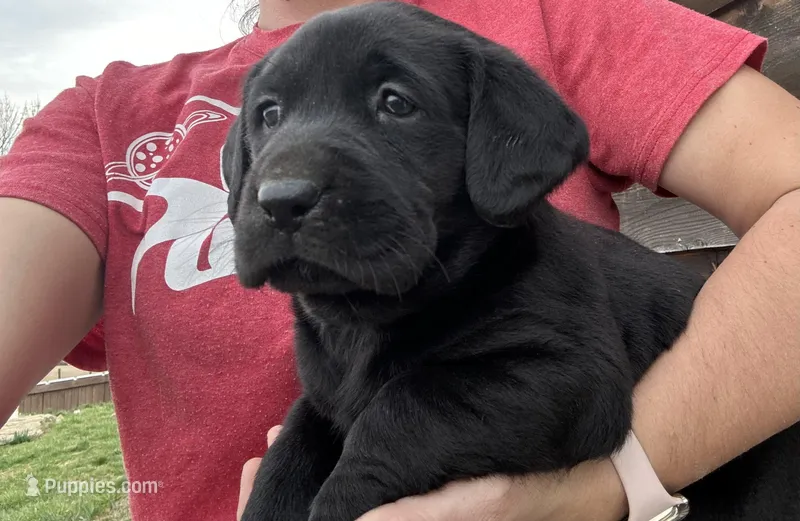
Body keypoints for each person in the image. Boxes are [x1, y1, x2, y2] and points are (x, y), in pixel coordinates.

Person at [1, 0, 799, 519]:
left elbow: (547, 383)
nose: (282, 176)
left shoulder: (546, 24)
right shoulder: (98, 117)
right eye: (270, 117)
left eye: (394, 103)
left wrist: (610, 488)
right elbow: (335, 408)